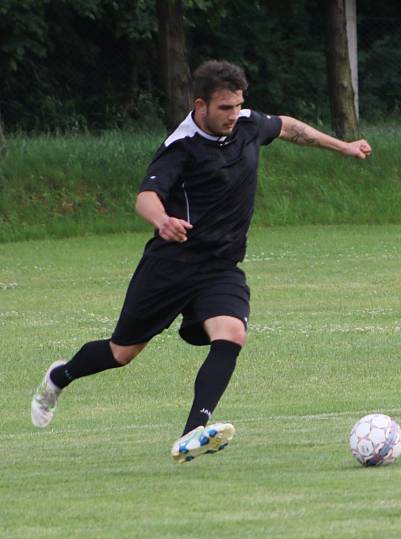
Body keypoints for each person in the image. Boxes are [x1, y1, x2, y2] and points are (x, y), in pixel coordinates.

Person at [31, 60, 372, 462]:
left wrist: (344, 146)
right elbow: (146, 196)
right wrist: (163, 221)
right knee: (121, 353)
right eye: (224, 108)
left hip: (220, 267)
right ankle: (58, 378)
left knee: (231, 335)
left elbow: (289, 126)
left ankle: (193, 432)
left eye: (238, 105)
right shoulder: (182, 145)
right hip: (172, 264)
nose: (233, 114)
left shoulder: (246, 124)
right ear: (201, 105)